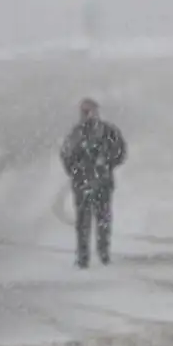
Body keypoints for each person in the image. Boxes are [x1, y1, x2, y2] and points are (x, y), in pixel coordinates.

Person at [60, 98, 127, 268]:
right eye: (84, 111)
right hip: (83, 183)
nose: (87, 115)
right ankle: (83, 256)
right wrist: (77, 171)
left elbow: (120, 151)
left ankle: (103, 253)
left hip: (102, 183)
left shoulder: (107, 131)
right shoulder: (76, 133)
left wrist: (107, 163)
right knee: (83, 221)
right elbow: (66, 155)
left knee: (102, 218)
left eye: (90, 111)